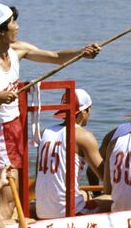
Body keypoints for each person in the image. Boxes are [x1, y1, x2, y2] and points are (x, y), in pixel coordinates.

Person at [0, 3, 100, 216]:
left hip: (18, 128)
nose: (18, 26)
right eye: (13, 22)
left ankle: (7, 224)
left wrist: (82, 52)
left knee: (16, 191)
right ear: (1, 30)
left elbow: (54, 56)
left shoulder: (17, 50)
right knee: (7, 195)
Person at [34, 88, 107, 218]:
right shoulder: (84, 136)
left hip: (42, 211)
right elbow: (106, 178)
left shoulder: (45, 132)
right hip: (68, 212)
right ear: (84, 111)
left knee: (83, 194)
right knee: (111, 200)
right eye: (89, 110)